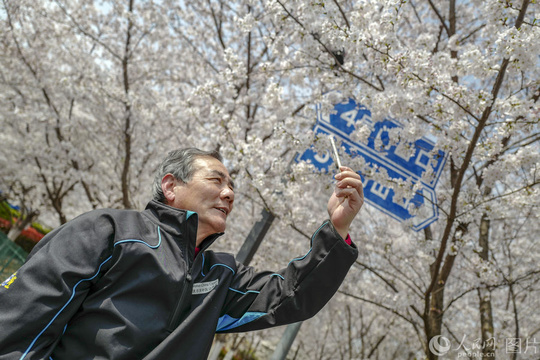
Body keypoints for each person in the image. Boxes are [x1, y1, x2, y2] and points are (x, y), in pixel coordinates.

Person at [0, 148, 363, 360]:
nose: (229, 194)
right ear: (171, 186)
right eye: (216, 180)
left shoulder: (220, 275)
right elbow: (26, 321)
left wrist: (337, 230)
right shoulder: (109, 231)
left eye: (232, 187)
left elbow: (289, 297)